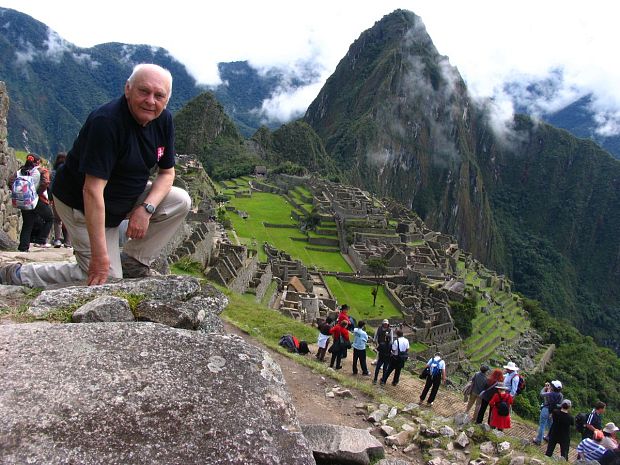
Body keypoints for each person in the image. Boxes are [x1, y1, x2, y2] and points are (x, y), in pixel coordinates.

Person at [1, 64, 191, 288]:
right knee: (104, 279)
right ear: (128, 89)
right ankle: (19, 274)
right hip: (81, 205)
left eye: (159, 95)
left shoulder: (163, 120)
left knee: (180, 201)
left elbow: (167, 174)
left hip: (123, 198)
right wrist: (101, 259)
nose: (151, 101)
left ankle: (133, 262)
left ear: (166, 100)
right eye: (144, 91)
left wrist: (146, 208)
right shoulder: (107, 122)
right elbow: (92, 190)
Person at [9, 154, 54, 252]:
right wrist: (36, 193)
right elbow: (45, 182)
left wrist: (19, 193)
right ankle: (41, 240)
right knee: (50, 218)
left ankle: (23, 248)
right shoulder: (40, 171)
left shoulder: (19, 171)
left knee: (27, 224)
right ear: (37, 162)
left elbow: (10, 182)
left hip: (23, 202)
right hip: (36, 200)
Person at [49, 152, 71, 248]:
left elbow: (51, 187)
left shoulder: (53, 172)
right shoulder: (70, 171)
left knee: (57, 220)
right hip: (69, 199)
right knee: (68, 220)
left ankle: (57, 240)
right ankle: (68, 242)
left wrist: (50, 198)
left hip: (56, 198)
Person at [534, 379, 564, 445]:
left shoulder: (549, 394)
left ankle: (538, 440)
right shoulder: (560, 395)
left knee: (542, 425)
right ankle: (549, 437)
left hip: (546, 409)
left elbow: (541, 394)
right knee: (551, 425)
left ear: (553, 387)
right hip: (554, 412)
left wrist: (544, 388)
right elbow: (560, 404)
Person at [373, 319, 392, 385]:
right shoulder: (390, 345)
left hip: (382, 355)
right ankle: (382, 381)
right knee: (384, 369)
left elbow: (377, 350)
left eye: (386, 324)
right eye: (384, 323)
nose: (385, 325)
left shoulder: (390, 330)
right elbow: (376, 335)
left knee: (379, 368)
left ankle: (376, 379)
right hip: (386, 357)